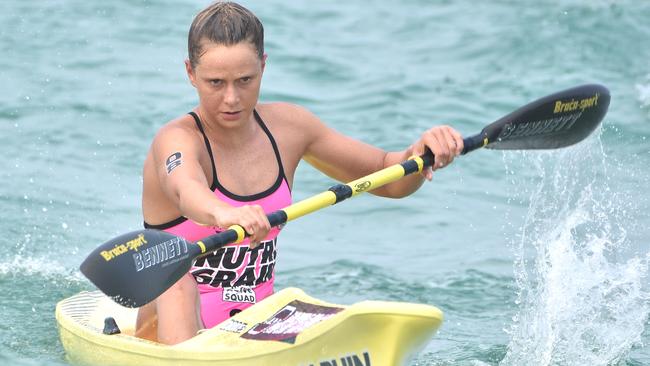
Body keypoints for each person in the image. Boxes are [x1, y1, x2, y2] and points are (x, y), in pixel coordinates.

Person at [135, 1, 464, 345]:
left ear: (263, 66)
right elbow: (185, 189)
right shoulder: (177, 140)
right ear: (190, 73)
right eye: (215, 82)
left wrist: (419, 154)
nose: (231, 97)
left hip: (252, 328)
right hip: (168, 327)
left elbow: (387, 175)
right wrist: (225, 213)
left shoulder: (289, 128)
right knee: (176, 283)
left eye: (245, 80)